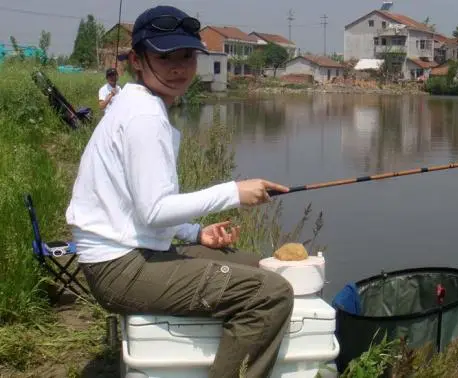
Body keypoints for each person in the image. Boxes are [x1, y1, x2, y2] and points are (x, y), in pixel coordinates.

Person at [65, 5, 293, 378]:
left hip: (131, 249)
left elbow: (140, 207)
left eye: (187, 56)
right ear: (137, 61)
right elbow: (154, 211)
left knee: (257, 265)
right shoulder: (144, 115)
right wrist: (234, 192)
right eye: (164, 56)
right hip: (119, 266)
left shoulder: (139, 103)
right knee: (270, 294)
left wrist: (195, 233)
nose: (179, 67)